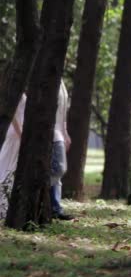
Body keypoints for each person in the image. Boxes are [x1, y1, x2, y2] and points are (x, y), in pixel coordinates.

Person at [0, 94, 26, 219]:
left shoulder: (23, 92)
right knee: (6, 165)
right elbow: (14, 115)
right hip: (15, 133)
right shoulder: (18, 92)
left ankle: (5, 204)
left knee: (10, 166)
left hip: (17, 132)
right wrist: (20, 132)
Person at [50, 80, 73, 220]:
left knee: (57, 171)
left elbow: (63, 111)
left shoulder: (62, 82)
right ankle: (54, 206)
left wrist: (65, 132)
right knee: (58, 169)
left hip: (58, 131)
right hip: (50, 131)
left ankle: (56, 207)